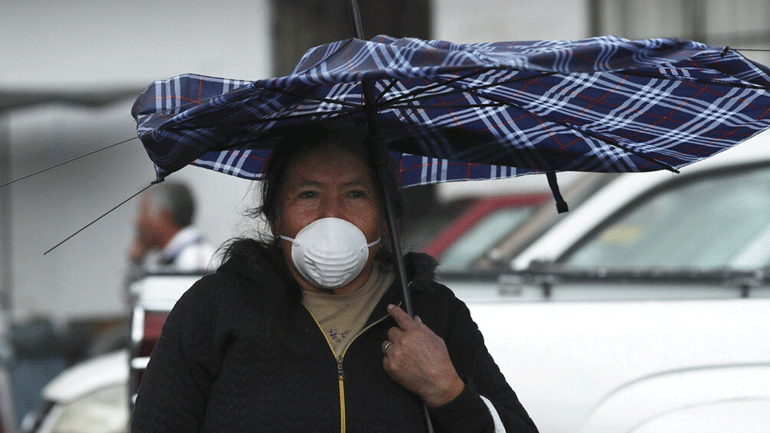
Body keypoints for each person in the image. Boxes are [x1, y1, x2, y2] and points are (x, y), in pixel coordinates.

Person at [131, 122, 538, 433]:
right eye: (308, 194)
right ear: (276, 217)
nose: (331, 215)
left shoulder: (432, 310)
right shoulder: (215, 307)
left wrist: (447, 391)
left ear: (383, 216)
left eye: (355, 194)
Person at [129, 181, 216, 275]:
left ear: (162, 217)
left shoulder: (195, 259)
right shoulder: (169, 260)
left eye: (142, 213)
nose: (137, 221)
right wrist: (136, 262)